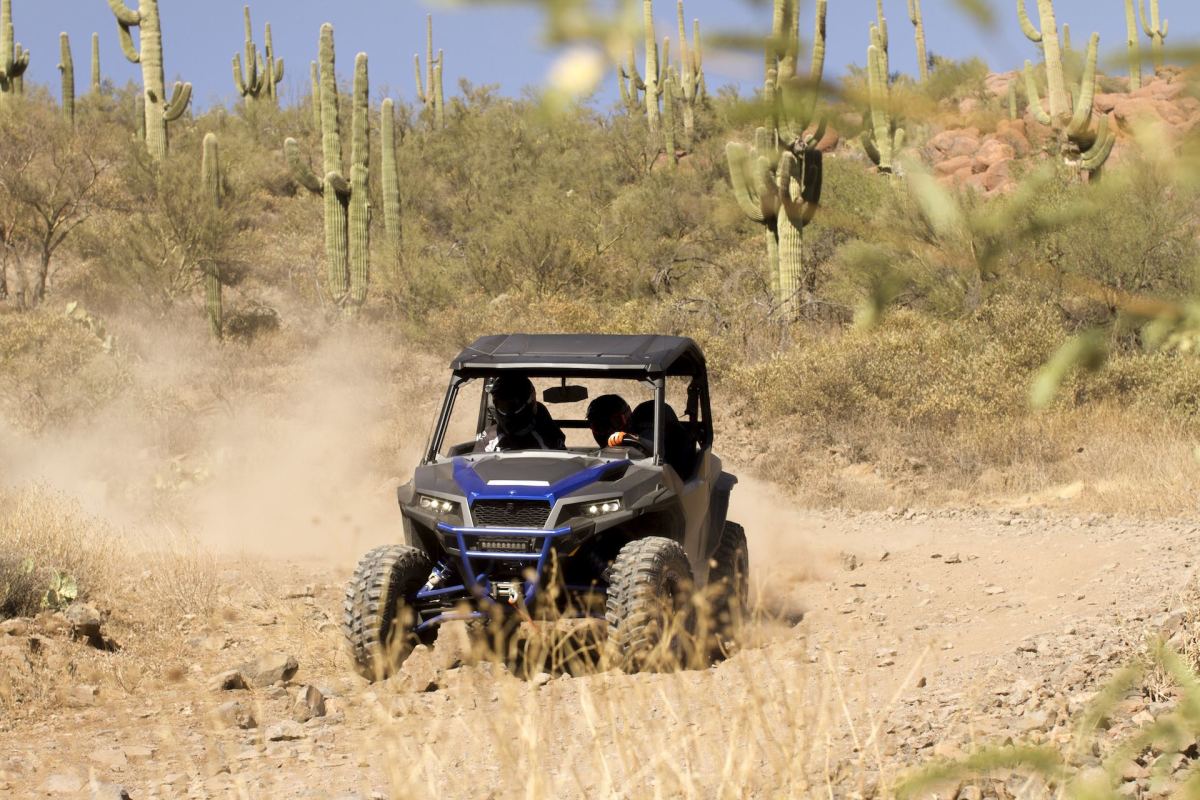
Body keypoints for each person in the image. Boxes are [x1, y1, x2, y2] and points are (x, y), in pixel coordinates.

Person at [474, 374, 566, 453]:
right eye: (503, 406)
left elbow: (561, 468)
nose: (507, 411)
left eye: (512, 405)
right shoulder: (490, 437)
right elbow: (472, 466)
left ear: (528, 403)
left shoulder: (546, 438)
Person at [608, 400, 699, 479]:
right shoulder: (630, 432)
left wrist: (636, 439)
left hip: (669, 480)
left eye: (617, 421)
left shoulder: (673, 444)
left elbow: (659, 455)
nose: (610, 429)